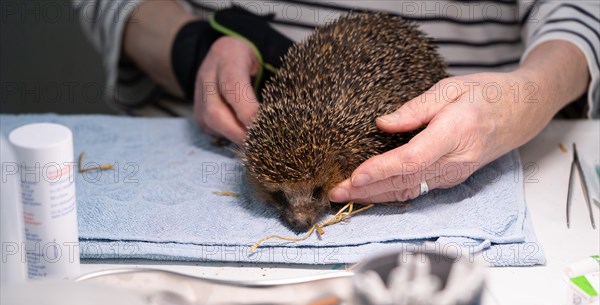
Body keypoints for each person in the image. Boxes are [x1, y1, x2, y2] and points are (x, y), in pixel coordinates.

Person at [75, 0, 599, 203]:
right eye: (285, 198)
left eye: (308, 195)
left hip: (480, 142)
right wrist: (190, 47)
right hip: (184, 141)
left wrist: (530, 91)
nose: (302, 218)